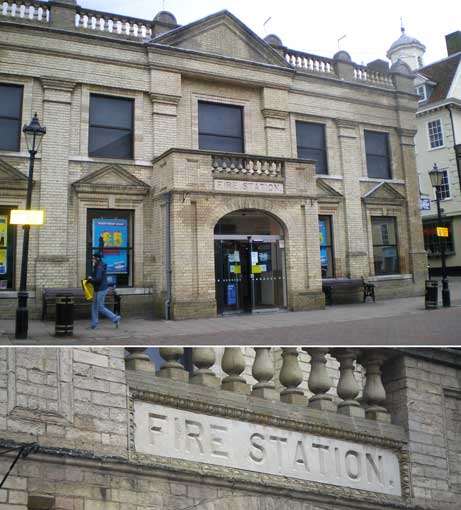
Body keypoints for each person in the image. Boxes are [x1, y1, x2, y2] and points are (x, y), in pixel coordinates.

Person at [87, 253, 120, 329]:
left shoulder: (99, 267)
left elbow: (98, 279)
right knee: (94, 306)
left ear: (97, 259)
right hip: (97, 288)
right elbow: (95, 276)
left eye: (94, 258)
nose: (93, 260)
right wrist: (90, 278)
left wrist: (90, 279)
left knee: (100, 307)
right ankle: (94, 324)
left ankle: (115, 318)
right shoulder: (97, 266)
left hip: (101, 289)